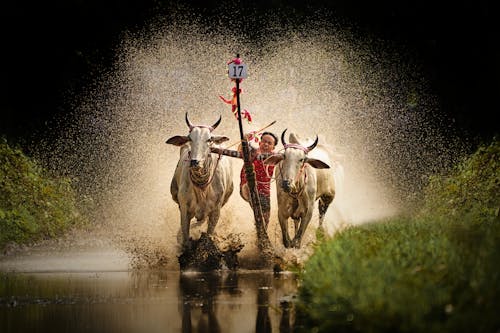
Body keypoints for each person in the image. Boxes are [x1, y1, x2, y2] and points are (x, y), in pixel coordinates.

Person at [239, 131, 278, 229]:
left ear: (273, 147)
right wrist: (244, 140)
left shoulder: (276, 157)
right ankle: (258, 218)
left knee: (266, 219)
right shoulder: (253, 151)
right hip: (247, 186)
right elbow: (240, 150)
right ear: (260, 143)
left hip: (264, 192)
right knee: (251, 187)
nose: (266, 144)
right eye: (264, 141)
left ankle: (261, 235)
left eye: (269, 143)